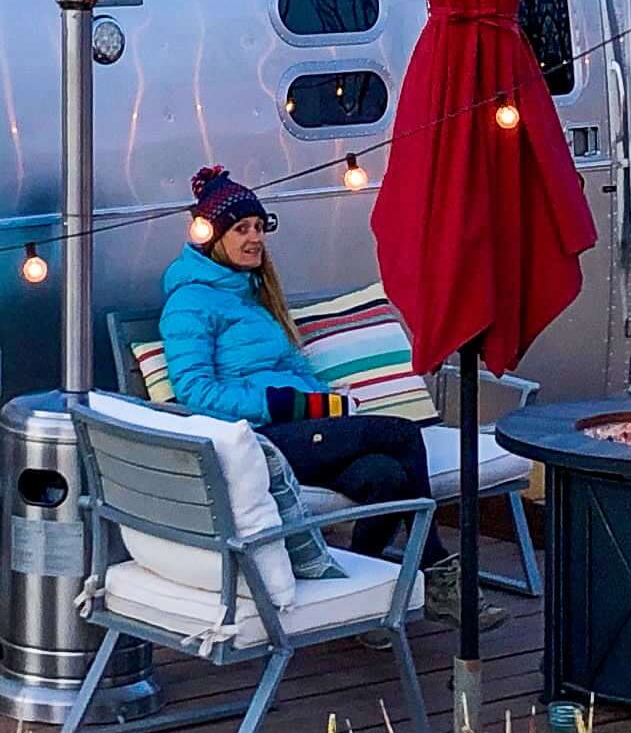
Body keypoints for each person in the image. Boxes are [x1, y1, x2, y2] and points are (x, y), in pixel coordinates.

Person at [156, 166, 428, 505]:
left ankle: (357, 559)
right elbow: (195, 392)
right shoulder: (189, 302)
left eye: (259, 227)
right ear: (214, 238)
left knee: (384, 476)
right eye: (241, 229)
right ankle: (435, 557)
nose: (255, 237)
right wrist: (276, 405)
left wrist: (322, 399)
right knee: (401, 433)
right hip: (256, 439)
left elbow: (295, 367)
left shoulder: (253, 295)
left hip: (300, 427)